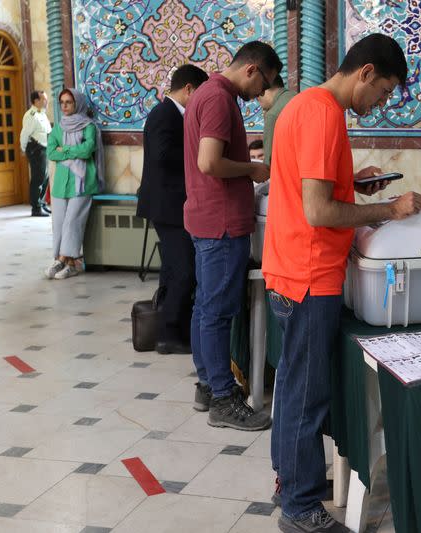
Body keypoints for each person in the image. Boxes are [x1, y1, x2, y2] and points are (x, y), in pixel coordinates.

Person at [262, 33, 421, 533]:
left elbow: (310, 186)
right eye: (385, 91)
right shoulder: (324, 113)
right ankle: (302, 508)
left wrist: (355, 183)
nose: (382, 103)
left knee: (290, 389)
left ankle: (287, 481)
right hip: (310, 275)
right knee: (307, 397)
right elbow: (318, 210)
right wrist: (389, 210)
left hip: (290, 267)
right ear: (366, 73)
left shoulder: (303, 104)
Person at [184, 41, 280, 429]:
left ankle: (208, 385)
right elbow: (209, 162)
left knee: (205, 308)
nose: (263, 94)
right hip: (221, 224)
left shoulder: (204, 93)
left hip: (205, 218)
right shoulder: (221, 98)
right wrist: (252, 170)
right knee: (218, 313)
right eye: (265, 84)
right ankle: (223, 399)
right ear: (252, 69)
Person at [137, 64, 209, 355]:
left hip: (171, 204)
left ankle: (170, 330)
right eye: (200, 94)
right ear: (189, 89)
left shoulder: (174, 114)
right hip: (168, 206)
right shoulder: (163, 114)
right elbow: (162, 154)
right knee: (184, 271)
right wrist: (199, 155)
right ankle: (169, 334)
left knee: (172, 269)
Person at [45, 88, 105, 280]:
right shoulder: (58, 127)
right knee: (59, 224)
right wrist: (73, 151)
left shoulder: (88, 126)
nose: (64, 106)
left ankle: (62, 259)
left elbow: (87, 150)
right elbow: (51, 152)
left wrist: (65, 150)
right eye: (62, 102)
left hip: (82, 183)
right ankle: (69, 263)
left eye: (68, 102)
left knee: (72, 223)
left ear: (77, 103)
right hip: (61, 184)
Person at [20, 90, 52, 217]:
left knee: (45, 177)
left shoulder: (42, 114)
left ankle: (42, 203)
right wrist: (23, 149)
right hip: (36, 149)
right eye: (44, 99)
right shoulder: (31, 115)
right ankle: (36, 208)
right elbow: (25, 134)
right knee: (38, 177)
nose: (46, 101)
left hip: (45, 148)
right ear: (36, 101)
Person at [256, 74, 296, 167]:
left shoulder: (273, 115)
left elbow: (269, 162)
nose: (256, 98)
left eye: (257, 94)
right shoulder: (297, 96)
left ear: (262, 91)